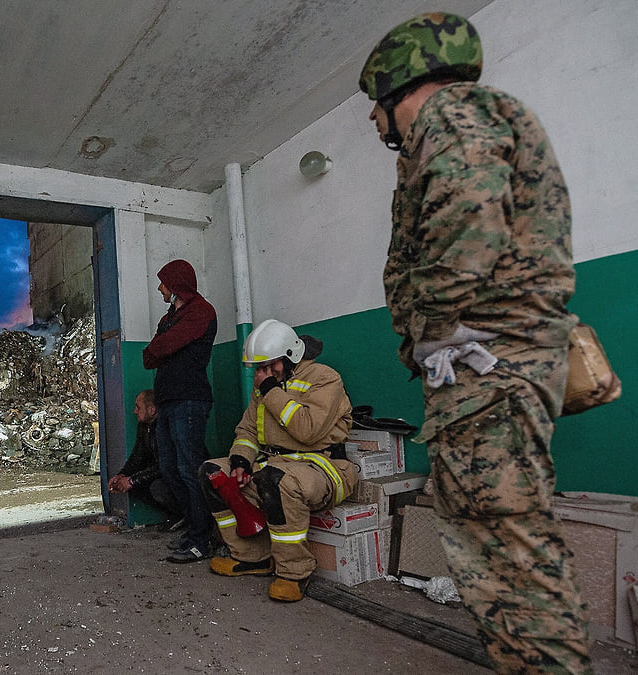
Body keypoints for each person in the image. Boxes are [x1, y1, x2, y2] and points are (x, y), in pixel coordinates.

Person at [360, 12, 591, 673]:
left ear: (398, 86)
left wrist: (433, 337)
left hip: (485, 364)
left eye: (375, 109)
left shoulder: (453, 117)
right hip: (486, 365)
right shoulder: (478, 119)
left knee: (509, 548)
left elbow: (467, 219)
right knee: (494, 548)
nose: (375, 124)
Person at [199, 320, 355, 602]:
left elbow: (307, 430)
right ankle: (252, 557)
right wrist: (241, 463)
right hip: (271, 465)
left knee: (276, 478)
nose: (263, 374)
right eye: (260, 368)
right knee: (212, 473)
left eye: (271, 366)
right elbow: (247, 431)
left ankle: (295, 572)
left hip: (322, 467)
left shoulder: (324, 378)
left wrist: (271, 390)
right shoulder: (266, 385)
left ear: (290, 357)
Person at [142, 259, 217, 563]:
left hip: (189, 400)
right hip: (168, 401)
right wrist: (158, 348)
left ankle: (202, 539)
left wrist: (159, 347)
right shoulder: (170, 316)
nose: (159, 287)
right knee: (171, 468)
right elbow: (149, 357)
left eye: (163, 282)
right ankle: (196, 530)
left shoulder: (201, 311)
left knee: (189, 469)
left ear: (175, 285)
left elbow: (159, 348)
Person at [107, 390, 184, 527]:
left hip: (177, 476)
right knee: (134, 486)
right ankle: (177, 516)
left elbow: (166, 464)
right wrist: (122, 475)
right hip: (162, 473)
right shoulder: (144, 426)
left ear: (152, 410)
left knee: (156, 487)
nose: (135, 411)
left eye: (138, 407)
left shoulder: (166, 427)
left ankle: (186, 515)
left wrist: (131, 480)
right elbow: (137, 456)